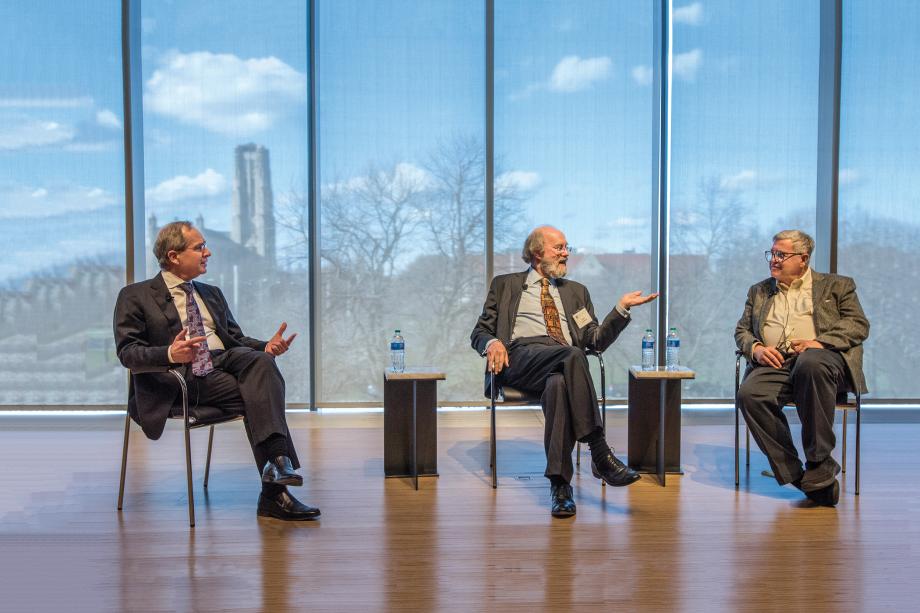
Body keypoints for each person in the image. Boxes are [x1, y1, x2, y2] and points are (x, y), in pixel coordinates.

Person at [114, 221, 320, 521]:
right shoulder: (135, 296)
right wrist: (170, 352)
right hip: (178, 377)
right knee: (259, 394)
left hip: (224, 363)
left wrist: (266, 347)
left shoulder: (211, 294)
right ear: (173, 256)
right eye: (199, 248)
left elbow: (236, 341)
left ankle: (277, 464)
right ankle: (275, 487)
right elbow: (128, 353)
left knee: (262, 362)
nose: (207, 252)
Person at [471, 225, 658, 518]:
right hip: (520, 358)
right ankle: (599, 451)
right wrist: (493, 341)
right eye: (558, 248)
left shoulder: (576, 292)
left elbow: (594, 342)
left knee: (559, 384)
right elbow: (479, 332)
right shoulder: (505, 285)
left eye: (567, 247)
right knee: (571, 355)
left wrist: (620, 309)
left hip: (563, 364)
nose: (566, 253)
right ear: (536, 253)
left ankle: (561, 488)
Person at [735, 229, 869, 506]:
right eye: (771, 254)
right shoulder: (758, 291)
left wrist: (820, 343)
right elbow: (742, 331)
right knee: (749, 394)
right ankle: (801, 476)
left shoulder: (837, 286)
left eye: (781, 255)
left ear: (803, 259)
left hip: (823, 360)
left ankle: (818, 459)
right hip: (777, 363)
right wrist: (757, 349)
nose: (774, 260)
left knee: (810, 362)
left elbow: (858, 325)